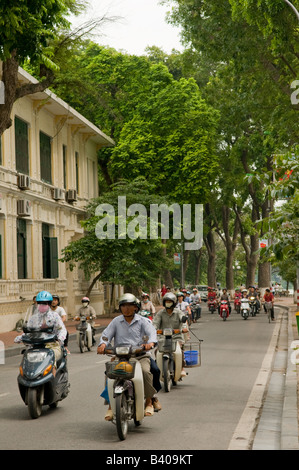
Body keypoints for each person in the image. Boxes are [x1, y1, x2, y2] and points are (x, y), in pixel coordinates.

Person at [97, 293, 160, 420]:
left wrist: (150, 343)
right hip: (120, 357)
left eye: (130, 306)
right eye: (124, 305)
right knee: (109, 375)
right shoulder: (116, 321)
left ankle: (149, 402)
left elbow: (152, 333)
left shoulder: (143, 321)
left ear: (136, 307)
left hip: (139, 356)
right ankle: (110, 406)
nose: (126, 308)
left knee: (145, 372)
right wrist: (103, 344)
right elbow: (106, 335)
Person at [14, 291, 67, 374]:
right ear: (36, 304)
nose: (42, 305)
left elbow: (62, 330)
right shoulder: (33, 318)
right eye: (40, 303)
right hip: (35, 345)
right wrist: (21, 337)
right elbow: (28, 331)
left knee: (52, 362)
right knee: (26, 363)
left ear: (49, 304)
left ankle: (53, 384)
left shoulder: (55, 316)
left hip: (52, 345)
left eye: (44, 303)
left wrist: (59, 339)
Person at [153, 292, 188, 378]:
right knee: (156, 351)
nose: (168, 303)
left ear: (174, 303)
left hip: (177, 337)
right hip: (162, 337)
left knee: (181, 350)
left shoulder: (178, 312)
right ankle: (159, 367)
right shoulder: (160, 313)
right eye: (166, 301)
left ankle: (182, 368)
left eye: (170, 301)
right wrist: (153, 329)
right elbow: (155, 323)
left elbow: (183, 321)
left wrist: (183, 328)